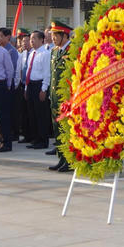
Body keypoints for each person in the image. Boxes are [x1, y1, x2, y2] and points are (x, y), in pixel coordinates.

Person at [47, 21, 73, 171]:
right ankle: (61, 158)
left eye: (55, 35)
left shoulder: (71, 51)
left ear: (64, 35)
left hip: (66, 98)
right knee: (57, 129)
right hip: (55, 97)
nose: (53, 38)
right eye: (52, 35)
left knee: (66, 130)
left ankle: (69, 160)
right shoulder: (54, 51)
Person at [22, 30, 51, 149]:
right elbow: (29, 72)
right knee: (32, 113)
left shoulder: (45, 53)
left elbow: (47, 73)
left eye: (34, 38)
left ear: (41, 40)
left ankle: (43, 140)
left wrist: (44, 89)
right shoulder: (32, 53)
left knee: (41, 114)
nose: (31, 41)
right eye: (30, 39)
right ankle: (35, 138)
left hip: (40, 85)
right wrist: (26, 88)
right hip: (31, 85)